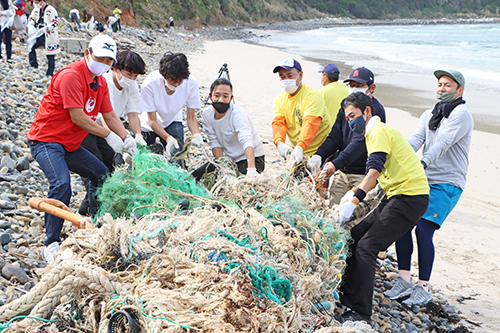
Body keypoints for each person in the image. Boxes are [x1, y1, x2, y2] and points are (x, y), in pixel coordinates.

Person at [27, 34, 136, 264]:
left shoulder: (100, 83)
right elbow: (77, 117)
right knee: (61, 184)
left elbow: (109, 115)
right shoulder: (71, 76)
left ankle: (95, 224)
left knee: (101, 173)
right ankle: (51, 243)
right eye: (101, 58)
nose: (105, 64)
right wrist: (108, 135)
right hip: (46, 140)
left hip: (70, 145)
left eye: (109, 61)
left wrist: (127, 138)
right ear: (88, 53)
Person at [334, 92, 429, 324]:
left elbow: (373, 172)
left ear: (368, 112)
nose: (350, 121)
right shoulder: (373, 134)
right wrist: (351, 196)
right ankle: (349, 294)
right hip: (395, 196)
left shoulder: (378, 130)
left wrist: (353, 201)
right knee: (356, 235)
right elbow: (378, 177)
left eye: (353, 115)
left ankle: (362, 312)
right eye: (347, 118)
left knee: (367, 247)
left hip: (410, 197)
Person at [384, 70, 473, 306]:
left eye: (448, 85)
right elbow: (415, 140)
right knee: (403, 222)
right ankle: (404, 279)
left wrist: (421, 162)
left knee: (423, 230)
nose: (442, 89)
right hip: (424, 179)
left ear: (459, 90)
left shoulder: (462, 115)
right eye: (439, 84)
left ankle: (423, 287)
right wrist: (396, 157)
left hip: (448, 183)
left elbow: (443, 143)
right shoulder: (429, 114)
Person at [78, 50, 147, 215]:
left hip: (112, 127)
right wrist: (116, 139)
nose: (131, 79)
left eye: (135, 76)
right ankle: (95, 215)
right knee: (95, 169)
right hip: (90, 126)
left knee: (110, 169)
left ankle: (85, 210)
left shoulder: (131, 87)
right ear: (115, 68)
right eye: (128, 74)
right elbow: (104, 117)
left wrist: (137, 136)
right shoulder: (105, 82)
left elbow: (133, 114)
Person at [307, 66, 386, 205]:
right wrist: (319, 155)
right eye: (351, 85)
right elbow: (335, 136)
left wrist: (335, 164)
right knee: (333, 211)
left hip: (363, 174)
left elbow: (359, 143)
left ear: (371, 87)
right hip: (342, 171)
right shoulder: (347, 106)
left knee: (354, 216)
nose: (354, 88)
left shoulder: (374, 110)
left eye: (359, 85)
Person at [192, 78, 265, 180]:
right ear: (210, 96)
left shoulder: (238, 114)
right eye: (217, 96)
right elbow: (214, 142)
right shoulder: (207, 115)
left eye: (225, 96)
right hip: (229, 159)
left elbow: (247, 141)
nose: (221, 100)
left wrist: (251, 169)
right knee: (195, 177)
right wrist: (222, 167)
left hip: (252, 158)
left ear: (231, 98)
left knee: (238, 183)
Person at [139, 52, 203, 163]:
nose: (176, 84)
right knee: (142, 159)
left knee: (177, 159)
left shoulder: (191, 83)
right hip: (148, 123)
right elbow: (152, 121)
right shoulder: (150, 83)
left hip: (173, 119)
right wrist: (168, 138)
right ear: (163, 75)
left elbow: (191, 117)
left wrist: (196, 134)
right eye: (173, 80)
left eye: (180, 81)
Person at [272, 58, 331, 165]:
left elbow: (311, 123)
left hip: (320, 152)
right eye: (282, 76)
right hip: (298, 152)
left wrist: (300, 146)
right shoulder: (279, 100)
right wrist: (279, 142)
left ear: (300, 75)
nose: (286, 80)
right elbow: (278, 123)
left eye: (290, 76)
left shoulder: (312, 96)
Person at [27, 0, 59, 76]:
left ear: (41, 1)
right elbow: (31, 18)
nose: (35, 4)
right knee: (30, 46)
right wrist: (31, 24)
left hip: (48, 34)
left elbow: (55, 22)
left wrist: (47, 28)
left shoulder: (50, 9)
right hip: (38, 33)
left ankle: (50, 72)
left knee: (50, 54)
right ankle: (33, 64)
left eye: (36, 2)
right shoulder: (36, 9)